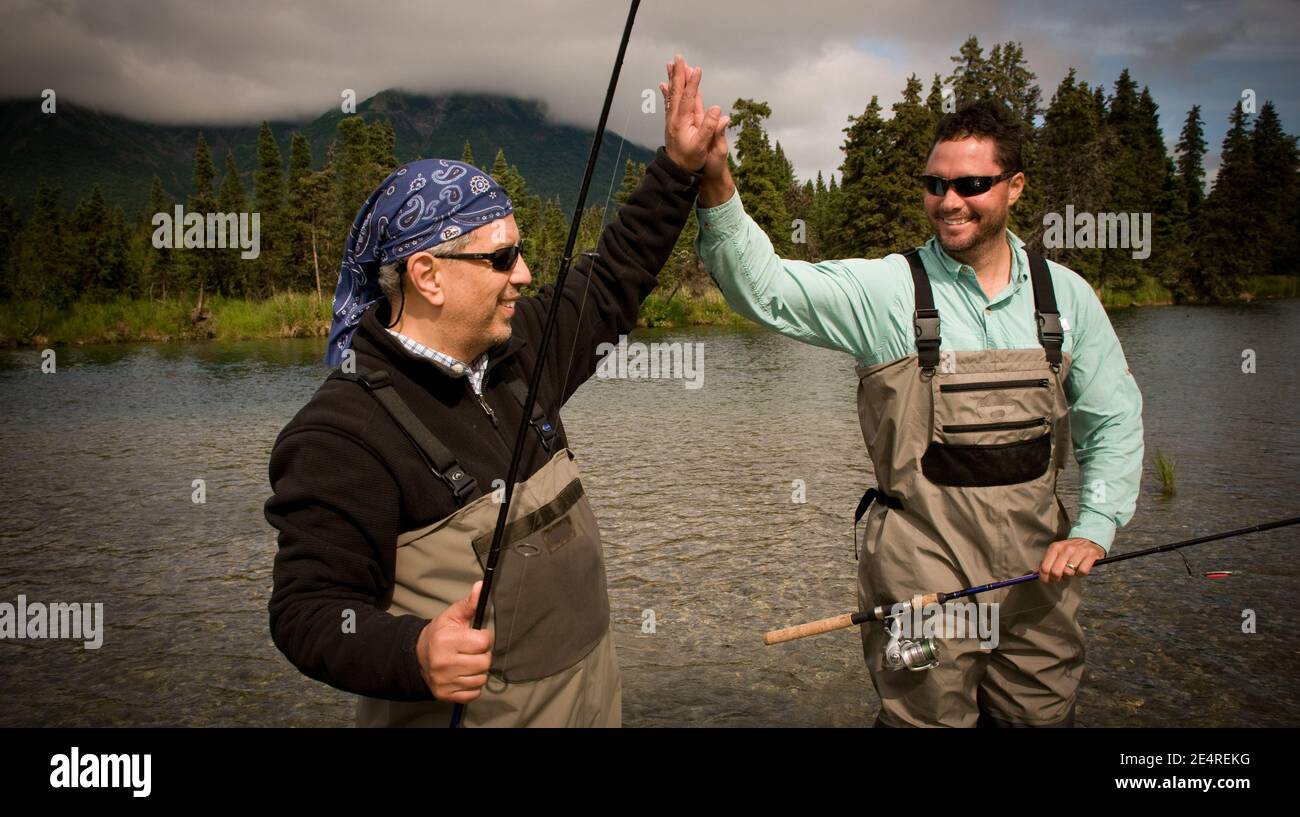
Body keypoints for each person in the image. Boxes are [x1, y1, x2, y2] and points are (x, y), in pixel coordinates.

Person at [265, 56, 725, 727]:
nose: (525, 273)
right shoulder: (341, 432)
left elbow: (616, 274)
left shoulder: (521, 353)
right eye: (502, 257)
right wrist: (414, 649)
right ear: (427, 275)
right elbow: (306, 610)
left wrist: (678, 169)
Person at [692, 83, 1144, 727]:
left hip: (1037, 574)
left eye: (970, 185)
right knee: (927, 720)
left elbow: (1114, 419)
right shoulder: (885, 290)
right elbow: (764, 287)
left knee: (1042, 716)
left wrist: (1095, 528)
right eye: (935, 185)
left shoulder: (1067, 297)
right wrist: (715, 181)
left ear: (1014, 187)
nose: (949, 201)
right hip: (919, 574)